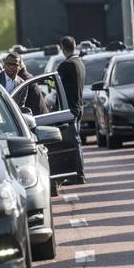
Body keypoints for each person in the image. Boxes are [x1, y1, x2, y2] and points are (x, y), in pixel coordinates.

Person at [57, 35, 87, 182]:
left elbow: (55, 85)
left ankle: (78, 175)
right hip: (79, 106)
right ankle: (77, 173)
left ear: (62, 48)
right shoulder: (80, 62)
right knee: (76, 142)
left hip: (68, 109)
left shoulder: (66, 65)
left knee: (73, 143)